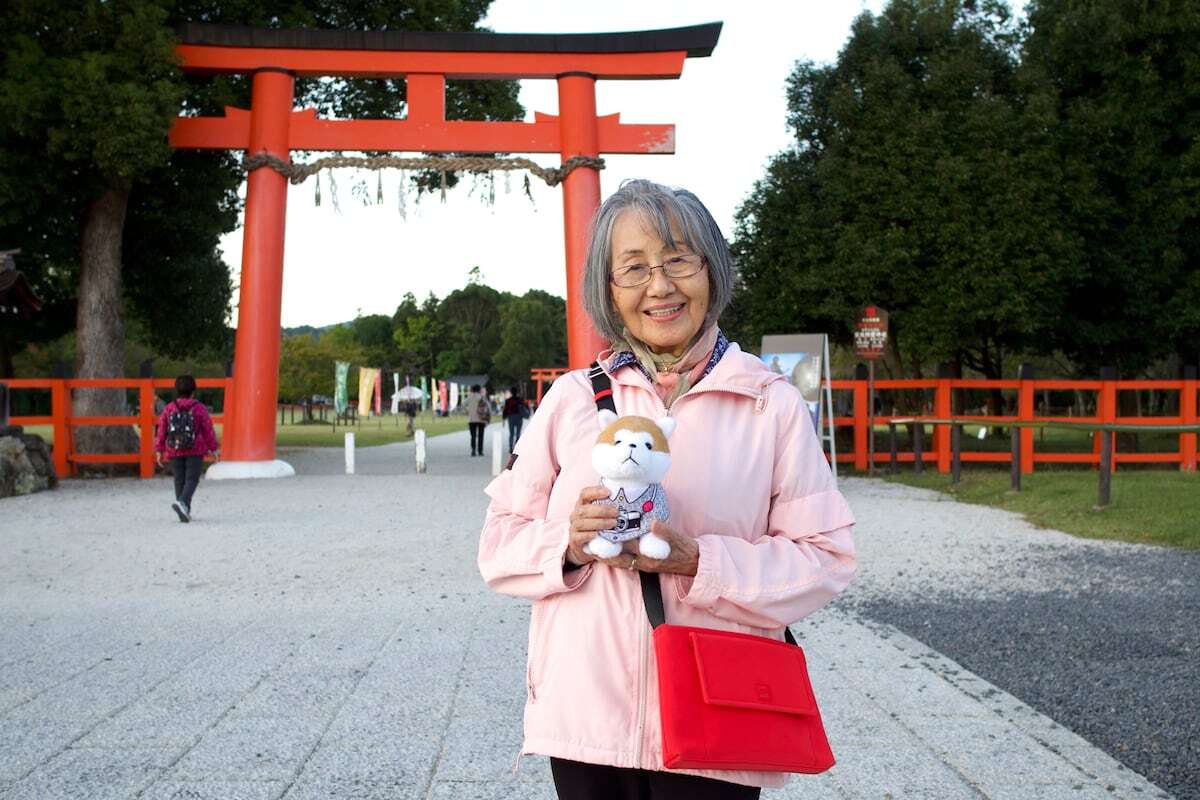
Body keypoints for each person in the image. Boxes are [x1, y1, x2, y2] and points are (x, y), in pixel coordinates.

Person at [478, 180, 857, 799]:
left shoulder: (770, 404)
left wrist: (699, 561)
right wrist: (568, 545)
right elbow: (498, 544)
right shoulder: (571, 401)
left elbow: (825, 556)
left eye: (679, 259)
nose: (660, 285)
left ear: (712, 269)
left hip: (720, 706)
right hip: (585, 716)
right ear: (608, 290)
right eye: (633, 268)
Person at [154, 375, 220, 523]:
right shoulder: (199, 408)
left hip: (174, 448)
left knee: (179, 479)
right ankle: (183, 503)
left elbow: (162, 429)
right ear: (193, 391)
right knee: (192, 479)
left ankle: (184, 508)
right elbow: (207, 430)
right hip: (195, 449)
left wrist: (159, 449)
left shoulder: (169, 408)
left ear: (176, 390)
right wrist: (214, 449)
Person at [501, 385, 530, 454]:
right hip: (519, 417)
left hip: (511, 417)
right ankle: (516, 447)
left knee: (511, 433)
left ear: (511, 392)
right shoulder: (520, 400)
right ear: (517, 392)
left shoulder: (508, 401)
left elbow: (505, 410)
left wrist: (503, 418)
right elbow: (526, 407)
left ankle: (511, 447)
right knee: (518, 433)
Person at [466, 383, 490, 457]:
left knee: (473, 436)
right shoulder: (482, 397)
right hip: (481, 419)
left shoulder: (469, 397)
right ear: (479, 390)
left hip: (471, 419)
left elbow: (463, 405)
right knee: (480, 436)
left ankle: (473, 450)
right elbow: (488, 407)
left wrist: (467, 411)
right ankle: (480, 451)